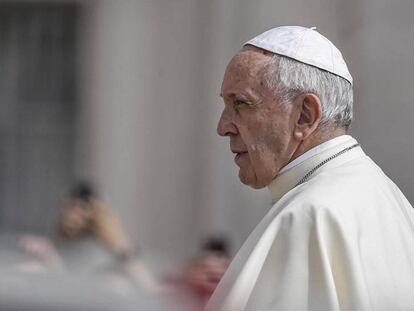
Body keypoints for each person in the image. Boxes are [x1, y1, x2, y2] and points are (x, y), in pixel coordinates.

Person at [205, 26, 414, 311]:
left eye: (241, 103)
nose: (222, 127)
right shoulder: (389, 197)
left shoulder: (308, 216)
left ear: (304, 115)